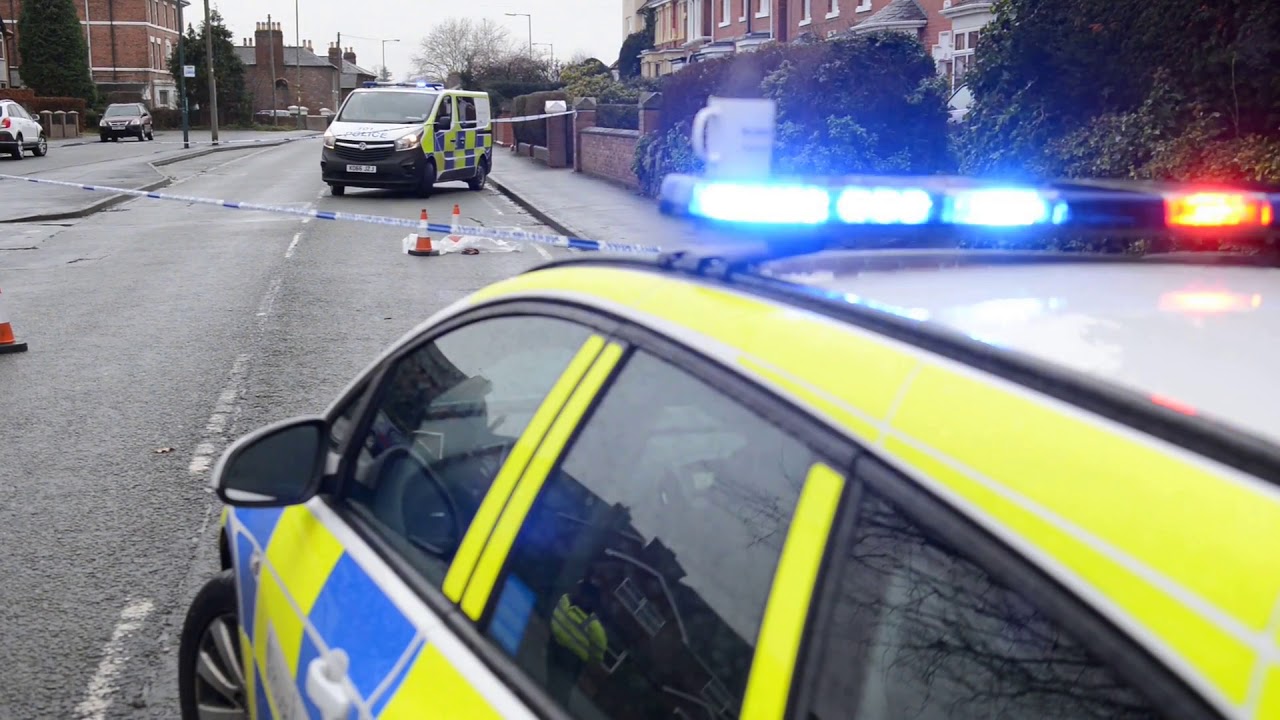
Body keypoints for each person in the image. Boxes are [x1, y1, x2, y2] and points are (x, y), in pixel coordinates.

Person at [545, 577, 608, 706]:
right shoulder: (565, 601)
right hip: (554, 647)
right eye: (583, 591)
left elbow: (598, 653)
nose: (584, 596)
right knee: (550, 683)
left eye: (589, 595)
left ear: (593, 601)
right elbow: (554, 616)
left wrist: (585, 662)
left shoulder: (595, 627)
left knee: (561, 692)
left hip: (572, 661)